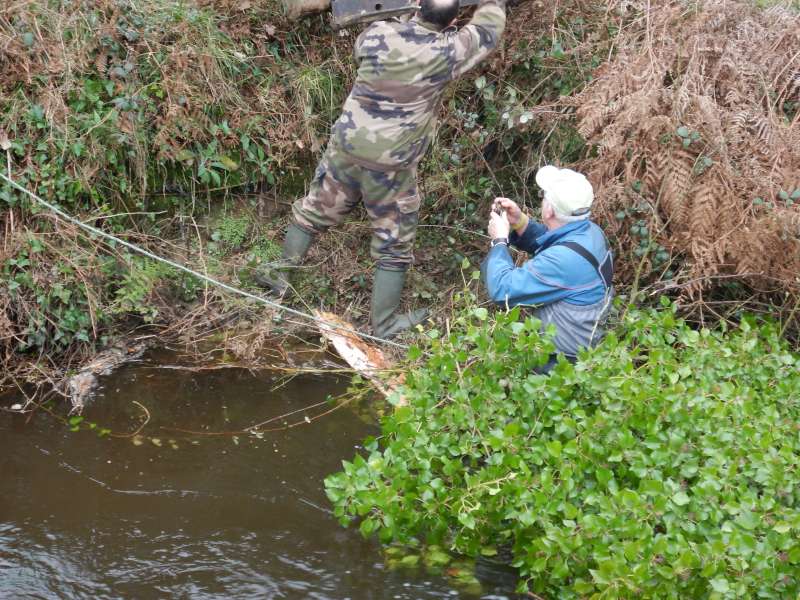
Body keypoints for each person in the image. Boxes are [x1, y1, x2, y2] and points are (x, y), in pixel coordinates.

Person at [255, 0, 507, 339]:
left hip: (346, 147)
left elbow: (366, 50)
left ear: (418, 7)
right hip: (389, 166)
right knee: (393, 244)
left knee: (313, 212)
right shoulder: (448, 51)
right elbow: (487, 31)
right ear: (453, 21)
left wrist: (403, 15)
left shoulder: (376, 34)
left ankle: (276, 277)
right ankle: (384, 324)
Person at [482, 165, 614, 371]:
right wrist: (520, 223)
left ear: (549, 210)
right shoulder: (591, 232)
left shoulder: (563, 260)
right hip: (582, 347)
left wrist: (499, 241)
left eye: (544, 197)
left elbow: (502, 291)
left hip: (561, 364)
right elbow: (557, 244)